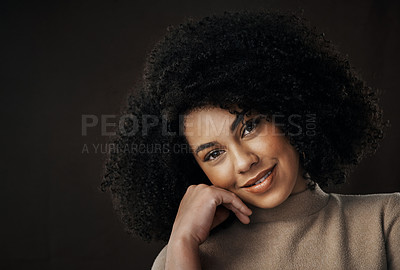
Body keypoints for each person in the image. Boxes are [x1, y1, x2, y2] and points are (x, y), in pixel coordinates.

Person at [100, 11, 400, 269]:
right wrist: (181, 244)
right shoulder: (181, 256)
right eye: (214, 154)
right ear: (196, 171)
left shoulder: (386, 223)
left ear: (287, 111)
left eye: (249, 127)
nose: (244, 162)